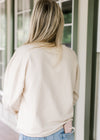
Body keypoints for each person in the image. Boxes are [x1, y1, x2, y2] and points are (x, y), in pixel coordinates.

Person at [2, 0, 80, 140]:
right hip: (64, 132)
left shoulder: (25, 54)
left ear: (34, 22)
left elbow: (9, 100)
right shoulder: (71, 56)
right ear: (59, 23)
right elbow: (73, 96)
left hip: (34, 133)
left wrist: (29, 112)